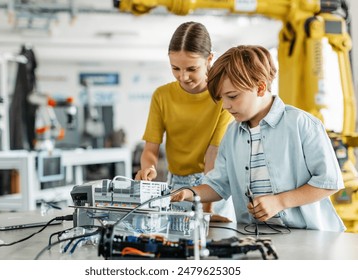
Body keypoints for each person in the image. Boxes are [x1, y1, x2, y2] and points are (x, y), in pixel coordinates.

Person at [171, 45, 346, 232]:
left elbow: (329, 182)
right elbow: (219, 184)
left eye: (232, 96)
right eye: (222, 98)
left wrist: (280, 201)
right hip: (256, 235)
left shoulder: (301, 124)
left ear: (260, 88)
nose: (226, 106)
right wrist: (190, 192)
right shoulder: (232, 134)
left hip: (308, 236)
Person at [135, 21, 234, 222]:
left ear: (209, 59)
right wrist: (149, 169)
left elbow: (212, 156)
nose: (183, 76)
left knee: (215, 243)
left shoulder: (222, 96)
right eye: (175, 68)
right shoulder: (162, 96)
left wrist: (207, 210)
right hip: (175, 184)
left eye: (191, 68)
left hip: (212, 187)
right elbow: (150, 150)